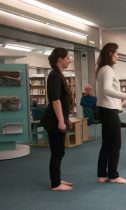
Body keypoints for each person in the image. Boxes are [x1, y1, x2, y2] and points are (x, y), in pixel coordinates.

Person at [96, 43, 126, 184]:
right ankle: (113, 175)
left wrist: (120, 102)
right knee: (115, 144)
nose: (118, 57)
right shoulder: (107, 69)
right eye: (117, 54)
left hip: (105, 109)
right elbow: (107, 90)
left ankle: (102, 174)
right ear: (110, 54)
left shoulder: (102, 69)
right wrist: (125, 96)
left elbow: (106, 93)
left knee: (107, 143)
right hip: (108, 111)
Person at [41, 48, 74, 191]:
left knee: (59, 151)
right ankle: (55, 184)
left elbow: (61, 99)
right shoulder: (54, 75)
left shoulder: (58, 74)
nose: (69, 60)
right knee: (57, 152)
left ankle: (58, 179)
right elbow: (55, 100)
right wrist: (61, 121)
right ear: (60, 59)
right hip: (54, 121)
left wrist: (67, 118)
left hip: (59, 118)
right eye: (67, 57)